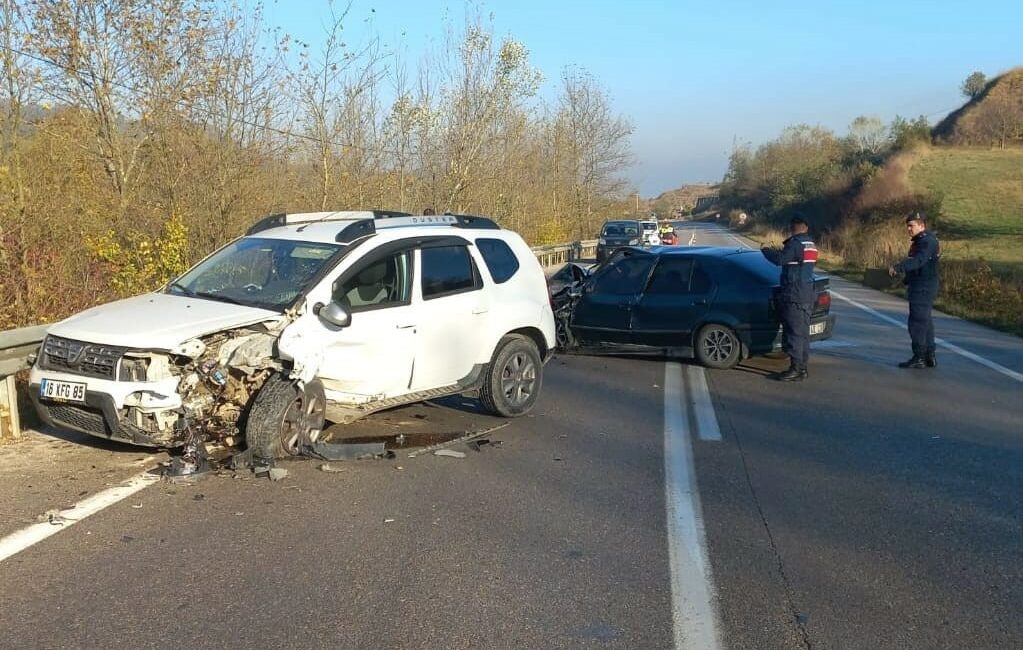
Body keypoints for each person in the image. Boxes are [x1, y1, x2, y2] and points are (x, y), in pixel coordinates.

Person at [762, 215, 818, 381]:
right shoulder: (811, 245)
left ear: (793, 228)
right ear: (806, 228)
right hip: (807, 293)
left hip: (794, 294)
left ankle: (795, 369)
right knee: (803, 334)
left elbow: (779, 260)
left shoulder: (795, 244)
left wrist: (765, 250)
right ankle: (802, 368)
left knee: (794, 333)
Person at [888, 212, 940, 369]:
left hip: (923, 286)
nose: (909, 229)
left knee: (917, 322)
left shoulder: (927, 241)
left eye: (912, 225)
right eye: (908, 226)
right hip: (921, 283)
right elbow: (918, 264)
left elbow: (919, 260)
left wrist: (898, 268)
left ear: (921, 225)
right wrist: (907, 279)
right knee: (925, 321)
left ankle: (919, 357)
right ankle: (929, 355)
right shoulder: (921, 241)